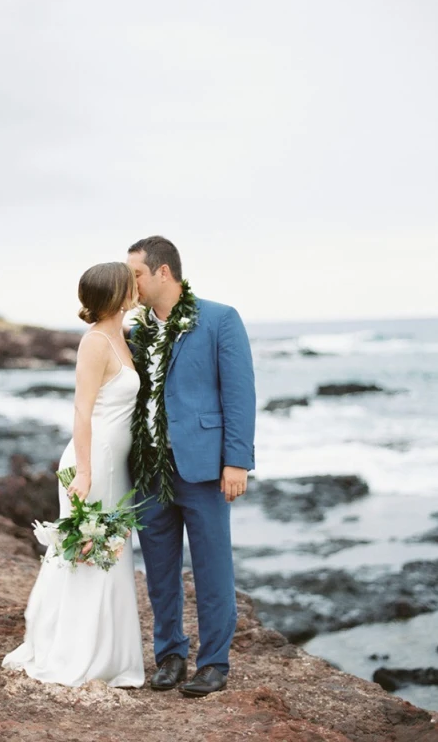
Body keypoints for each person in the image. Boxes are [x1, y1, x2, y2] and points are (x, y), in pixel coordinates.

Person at [1, 262, 145, 688]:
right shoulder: (95, 342)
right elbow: (82, 410)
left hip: (114, 466)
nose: (136, 286)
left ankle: (111, 657)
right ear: (118, 294)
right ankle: (76, 655)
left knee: (111, 558)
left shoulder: (123, 335)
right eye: (129, 282)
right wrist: (83, 472)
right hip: (92, 462)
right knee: (87, 556)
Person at [126, 236, 255, 697]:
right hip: (148, 468)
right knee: (159, 569)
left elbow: (239, 394)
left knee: (212, 568)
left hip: (203, 467)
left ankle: (214, 663)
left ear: (163, 272)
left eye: (136, 273)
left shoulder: (220, 319)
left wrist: (237, 461)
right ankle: (170, 656)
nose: (131, 282)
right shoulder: (136, 332)